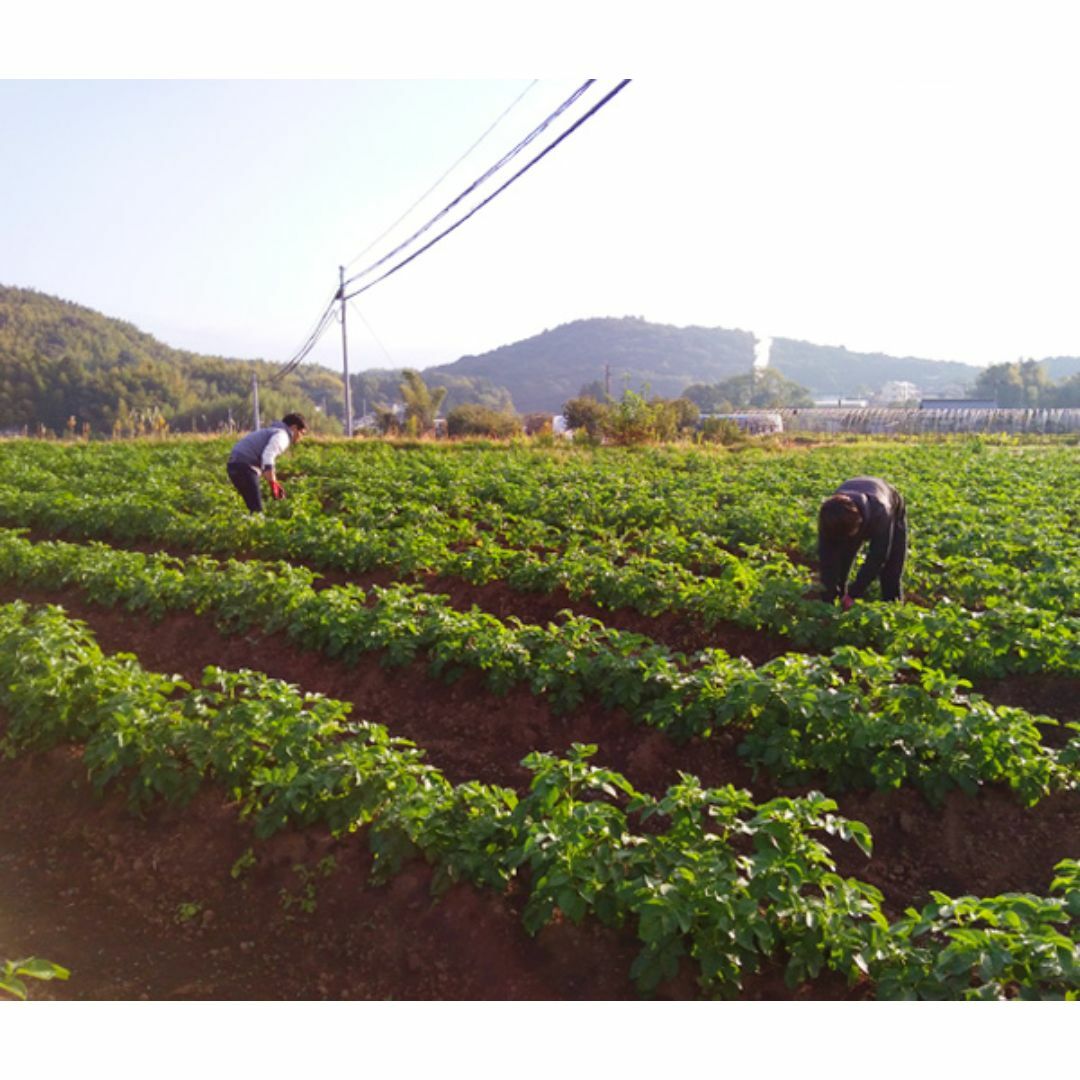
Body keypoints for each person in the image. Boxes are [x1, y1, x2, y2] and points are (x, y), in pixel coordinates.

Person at [818, 476, 907, 608]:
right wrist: (828, 598)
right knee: (840, 564)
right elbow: (827, 561)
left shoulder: (881, 512)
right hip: (854, 499)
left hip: (891, 503)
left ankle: (895, 613)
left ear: (859, 524)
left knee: (891, 573)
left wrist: (853, 594)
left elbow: (878, 557)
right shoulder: (829, 517)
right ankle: (836, 607)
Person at [226, 412, 306, 512]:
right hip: (244, 466)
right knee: (257, 511)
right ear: (294, 428)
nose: (301, 438)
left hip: (234, 465)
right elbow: (268, 457)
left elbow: (265, 464)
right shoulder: (283, 436)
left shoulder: (272, 431)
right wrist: (273, 484)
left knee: (252, 507)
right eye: (302, 433)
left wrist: (274, 483)